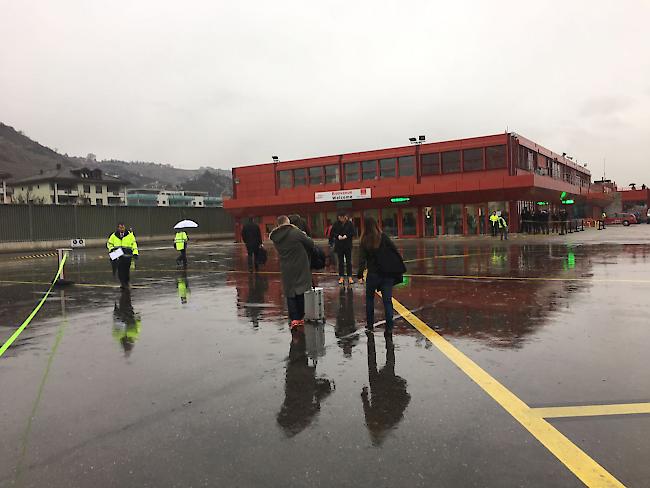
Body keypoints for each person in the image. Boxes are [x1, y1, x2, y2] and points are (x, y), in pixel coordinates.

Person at [361, 331, 410, 446]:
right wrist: (364, 396)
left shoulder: (387, 421)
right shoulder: (385, 421)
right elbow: (367, 409)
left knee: (387, 364)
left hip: (384, 389)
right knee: (376, 364)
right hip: (380, 389)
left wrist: (364, 396)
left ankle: (387, 344)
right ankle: (386, 341)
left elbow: (367, 409)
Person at [357, 216, 404, 336]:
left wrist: (360, 274)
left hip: (373, 274)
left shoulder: (364, 240)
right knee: (387, 301)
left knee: (369, 300)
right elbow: (394, 250)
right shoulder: (383, 237)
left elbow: (362, 260)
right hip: (386, 274)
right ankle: (389, 327)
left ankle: (370, 325)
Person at [270, 215, 314, 329]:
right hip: (299, 265)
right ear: (287, 222)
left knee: (290, 291)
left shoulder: (275, 237)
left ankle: (294, 318)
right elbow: (310, 243)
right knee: (301, 289)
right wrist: (304, 235)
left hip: (286, 266)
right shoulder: (295, 232)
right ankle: (300, 317)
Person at [107, 223, 139, 289]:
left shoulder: (130, 235)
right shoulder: (113, 236)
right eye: (120, 227)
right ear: (118, 228)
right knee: (120, 270)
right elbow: (109, 244)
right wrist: (112, 250)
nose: (122, 229)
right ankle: (123, 283)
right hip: (118, 255)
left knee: (126, 270)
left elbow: (134, 244)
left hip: (127, 255)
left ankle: (126, 282)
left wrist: (135, 253)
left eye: (123, 227)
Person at [330, 212, 356, 285]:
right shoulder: (336, 224)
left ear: (345, 217)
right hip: (339, 245)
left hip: (347, 245)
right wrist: (337, 236)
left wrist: (347, 236)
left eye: (342, 217)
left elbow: (353, 232)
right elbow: (332, 233)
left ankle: (350, 276)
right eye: (339, 217)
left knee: (349, 261)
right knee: (340, 262)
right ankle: (341, 276)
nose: (341, 218)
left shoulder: (349, 224)